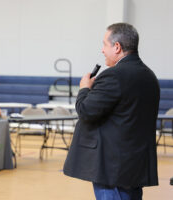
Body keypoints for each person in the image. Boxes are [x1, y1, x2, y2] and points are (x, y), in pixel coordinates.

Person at [63, 23, 160, 200]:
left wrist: (84, 88)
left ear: (117, 47)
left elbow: (86, 111)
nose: (102, 50)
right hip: (134, 166)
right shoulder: (149, 76)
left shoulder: (113, 76)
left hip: (112, 168)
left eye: (104, 44)